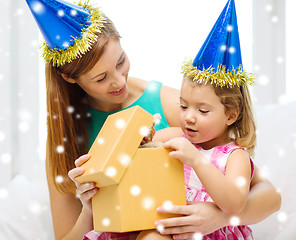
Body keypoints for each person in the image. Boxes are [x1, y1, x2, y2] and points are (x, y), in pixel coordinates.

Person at [25, 0, 281, 240]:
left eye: (121, 61)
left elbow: (267, 195)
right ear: (70, 78)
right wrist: (90, 211)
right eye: (101, 78)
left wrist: (219, 217)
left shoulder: (174, 106)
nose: (119, 81)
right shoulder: (65, 137)